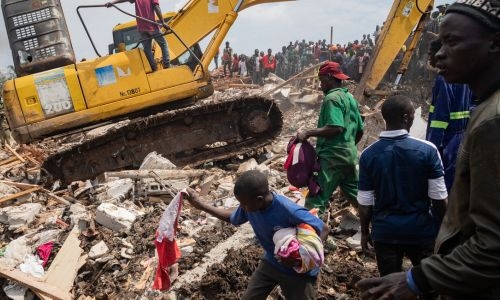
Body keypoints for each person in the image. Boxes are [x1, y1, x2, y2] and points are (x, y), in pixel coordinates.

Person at [357, 1, 500, 299]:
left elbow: (492, 242)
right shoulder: (476, 112)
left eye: (452, 41)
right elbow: (441, 199)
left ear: (494, 43)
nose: (438, 55)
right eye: (438, 42)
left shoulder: (492, 122)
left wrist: (418, 280)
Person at [186, 170, 327, 300]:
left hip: (297, 273)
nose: (241, 207)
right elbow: (232, 218)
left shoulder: (288, 210)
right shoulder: (251, 207)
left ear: (259, 200)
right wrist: (201, 205)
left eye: (244, 204)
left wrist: (304, 257)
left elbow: (324, 228)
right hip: (271, 263)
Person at [358, 95, 448, 277]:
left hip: (385, 233)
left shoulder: (368, 155)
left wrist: (365, 233)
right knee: (428, 285)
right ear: (406, 117)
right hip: (420, 231)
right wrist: (445, 231)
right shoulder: (428, 151)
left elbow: (365, 203)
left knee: (389, 286)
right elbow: (439, 199)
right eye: (413, 115)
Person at [297, 61, 364, 214]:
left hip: (332, 157)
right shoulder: (350, 98)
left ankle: (311, 235)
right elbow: (360, 129)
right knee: (356, 194)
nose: (321, 86)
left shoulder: (331, 98)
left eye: (322, 81)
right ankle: (376, 225)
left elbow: (336, 127)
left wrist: (308, 133)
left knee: (317, 197)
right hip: (350, 155)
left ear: (329, 77)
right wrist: (349, 146)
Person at [426, 38, 474, 192]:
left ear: (440, 53)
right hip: (460, 136)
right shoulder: (465, 75)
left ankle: (441, 213)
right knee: (454, 179)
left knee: (441, 182)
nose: (429, 58)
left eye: (430, 54)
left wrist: (432, 147)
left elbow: (440, 117)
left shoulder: (443, 78)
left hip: (445, 139)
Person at [106, 0, 170, 71]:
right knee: (163, 44)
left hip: (142, 28)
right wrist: (163, 22)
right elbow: (156, 7)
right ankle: (167, 65)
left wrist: (112, 3)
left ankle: (154, 68)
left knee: (147, 49)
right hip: (151, 25)